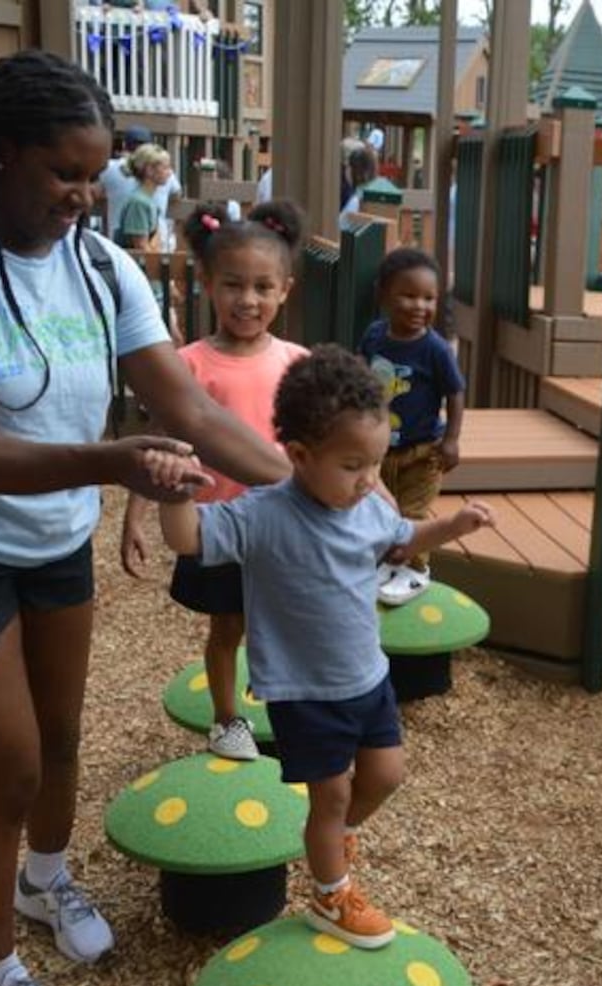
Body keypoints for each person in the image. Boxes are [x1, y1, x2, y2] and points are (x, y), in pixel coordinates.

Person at [0, 51, 288, 986]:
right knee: (3, 769)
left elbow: (181, 403)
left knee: (60, 737)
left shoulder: (97, 260)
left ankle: (46, 880)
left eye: (96, 175)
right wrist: (113, 461)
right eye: (65, 173)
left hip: (47, 532)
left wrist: (312, 487)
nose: (87, 196)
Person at [158, 349, 495, 948]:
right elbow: (188, 539)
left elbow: (402, 539)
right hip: (305, 691)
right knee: (331, 792)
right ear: (299, 456)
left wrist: (453, 526)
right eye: (352, 466)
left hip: (367, 677)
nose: (369, 480)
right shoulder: (263, 516)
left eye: (375, 464)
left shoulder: (366, 507)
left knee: (386, 776)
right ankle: (329, 897)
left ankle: (331, 837)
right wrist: (175, 491)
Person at [121, 199, 310, 761]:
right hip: (215, 528)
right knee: (227, 627)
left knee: (286, 625)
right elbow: (157, 438)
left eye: (262, 287)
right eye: (233, 285)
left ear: (285, 290)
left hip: (285, 526)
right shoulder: (190, 364)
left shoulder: (298, 363)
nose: (247, 300)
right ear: (206, 282)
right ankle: (228, 720)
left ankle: (288, 706)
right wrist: (134, 515)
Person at [358, 247, 464, 605]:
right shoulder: (375, 336)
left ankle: (417, 569)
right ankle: (389, 563)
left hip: (422, 450)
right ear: (385, 295)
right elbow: (360, 372)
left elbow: (455, 392)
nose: (420, 306)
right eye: (408, 295)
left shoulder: (434, 349)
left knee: (414, 511)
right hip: (380, 448)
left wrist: (452, 438)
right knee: (383, 508)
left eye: (429, 298)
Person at [97, 124, 180, 236]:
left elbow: (96, 191)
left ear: (124, 145)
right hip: (153, 243)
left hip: (117, 243)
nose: (168, 172)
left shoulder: (109, 168)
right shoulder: (159, 167)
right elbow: (176, 194)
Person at [114, 142, 173, 251]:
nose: (169, 173)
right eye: (165, 168)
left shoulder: (147, 201)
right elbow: (141, 249)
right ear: (149, 170)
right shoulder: (139, 203)